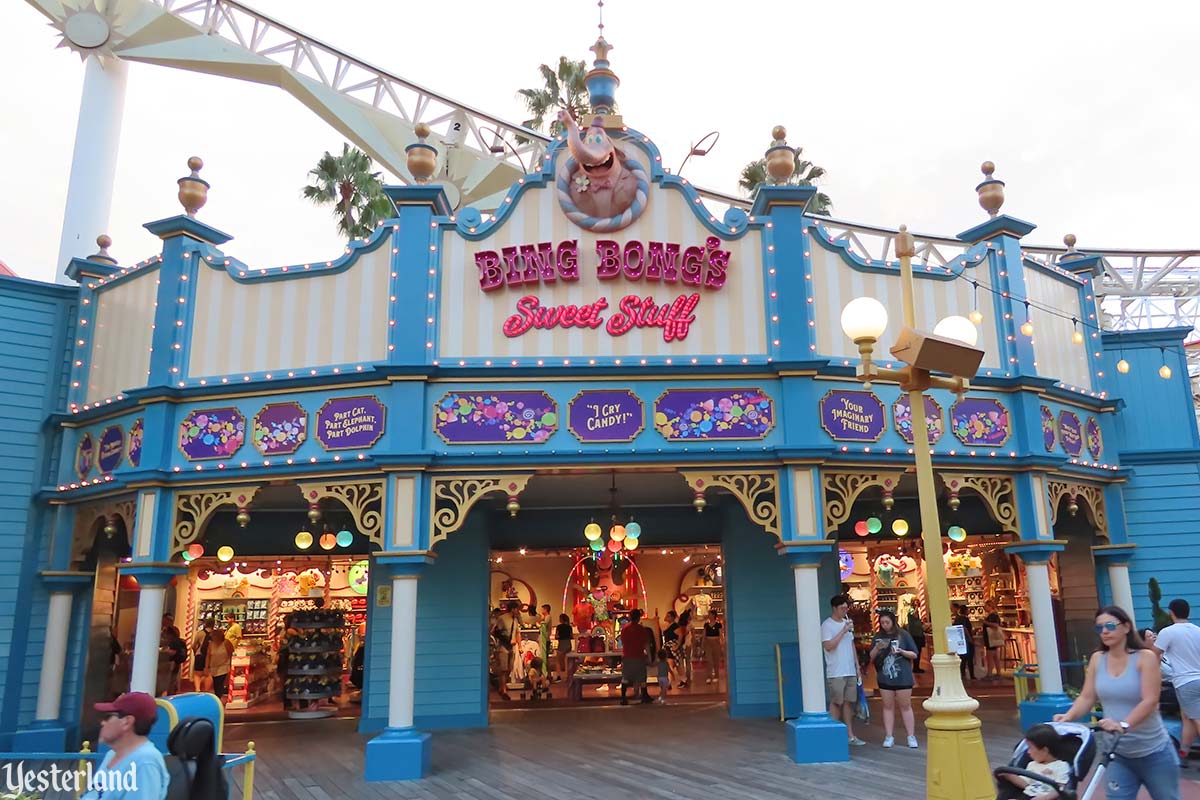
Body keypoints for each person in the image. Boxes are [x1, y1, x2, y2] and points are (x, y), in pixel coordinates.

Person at [1054, 606, 1179, 800]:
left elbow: (1150, 701)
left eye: (1110, 626)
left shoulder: (1144, 658)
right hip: (1116, 753)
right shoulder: (1097, 659)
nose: (1104, 631)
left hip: (1154, 752)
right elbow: (1087, 697)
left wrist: (1123, 725)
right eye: (1100, 627)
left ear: (1126, 627)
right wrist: (1067, 717)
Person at [81, 692, 169, 800]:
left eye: (108, 717)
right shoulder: (112, 754)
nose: (103, 723)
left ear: (127, 722)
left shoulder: (145, 762)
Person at [1149, 598, 1200, 759]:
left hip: (1185, 682)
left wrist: (1151, 676)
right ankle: (1183, 752)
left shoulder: (1168, 632)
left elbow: (1154, 655)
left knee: (1196, 718)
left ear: (1171, 613)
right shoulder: (1197, 630)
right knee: (1188, 717)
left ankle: (1182, 753)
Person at [870, 609, 919, 748]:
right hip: (885, 677)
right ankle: (889, 735)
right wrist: (877, 648)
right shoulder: (878, 636)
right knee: (887, 706)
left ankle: (911, 735)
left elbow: (914, 654)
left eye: (887, 622)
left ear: (893, 622)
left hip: (903, 676)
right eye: (882, 622)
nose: (885, 625)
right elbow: (871, 657)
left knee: (905, 705)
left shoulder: (903, 635)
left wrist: (901, 651)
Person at [822, 594, 865, 747]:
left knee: (849, 703)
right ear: (835, 608)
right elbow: (828, 646)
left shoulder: (847, 623)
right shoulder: (827, 625)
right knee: (836, 702)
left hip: (850, 670)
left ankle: (850, 735)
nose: (845, 610)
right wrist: (843, 631)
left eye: (846, 608)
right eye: (842, 608)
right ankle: (833, 734)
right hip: (836, 671)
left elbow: (851, 645)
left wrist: (857, 666)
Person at [995, 723, 1072, 799]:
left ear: (1044, 750)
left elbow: (1061, 788)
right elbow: (1026, 784)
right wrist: (1009, 775)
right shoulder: (1032, 764)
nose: (1028, 752)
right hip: (1027, 795)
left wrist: (1045, 798)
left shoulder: (1061, 766)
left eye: (1030, 748)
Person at [619, 608, 651, 706]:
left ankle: (623, 698)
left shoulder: (625, 629)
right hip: (639, 656)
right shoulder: (641, 629)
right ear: (638, 618)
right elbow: (646, 644)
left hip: (627, 656)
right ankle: (644, 695)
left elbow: (623, 641)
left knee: (625, 677)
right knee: (642, 677)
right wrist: (649, 656)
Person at [206, 629, 233, 701]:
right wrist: (206, 667)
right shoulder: (211, 644)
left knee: (220, 682)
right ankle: (218, 697)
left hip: (224, 666)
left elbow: (231, 654)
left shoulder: (226, 643)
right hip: (214, 667)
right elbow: (208, 656)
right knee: (216, 683)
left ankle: (218, 697)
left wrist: (231, 665)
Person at [954, 604, 977, 681]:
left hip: (960, 640)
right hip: (966, 641)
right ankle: (971, 675)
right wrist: (970, 638)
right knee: (969, 658)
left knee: (963, 658)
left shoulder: (957, 619)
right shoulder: (964, 619)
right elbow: (964, 628)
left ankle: (963, 674)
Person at [984, 600, 1006, 680]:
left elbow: (995, 625)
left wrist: (984, 622)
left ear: (990, 606)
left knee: (990, 656)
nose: (984, 607)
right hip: (992, 638)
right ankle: (998, 672)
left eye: (986, 606)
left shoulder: (993, 616)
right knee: (995, 656)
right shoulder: (993, 615)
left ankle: (989, 673)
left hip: (991, 638)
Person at [191, 619, 215, 692]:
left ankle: (197, 689)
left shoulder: (200, 633)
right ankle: (206, 690)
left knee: (197, 674)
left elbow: (193, 645)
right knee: (208, 674)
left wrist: (195, 652)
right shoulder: (215, 634)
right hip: (211, 656)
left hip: (200, 655)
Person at [703, 610, 724, 686]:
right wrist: (703, 644)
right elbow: (704, 635)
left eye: (710, 614)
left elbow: (721, 634)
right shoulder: (706, 625)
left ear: (714, 615)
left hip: (716, 642)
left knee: (716, 660)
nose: (709, 615)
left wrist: (722, 643)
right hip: (708, 643)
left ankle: (716, 675)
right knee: (709, 660)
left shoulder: (718, 625)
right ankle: (709, 676)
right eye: (709, 614)